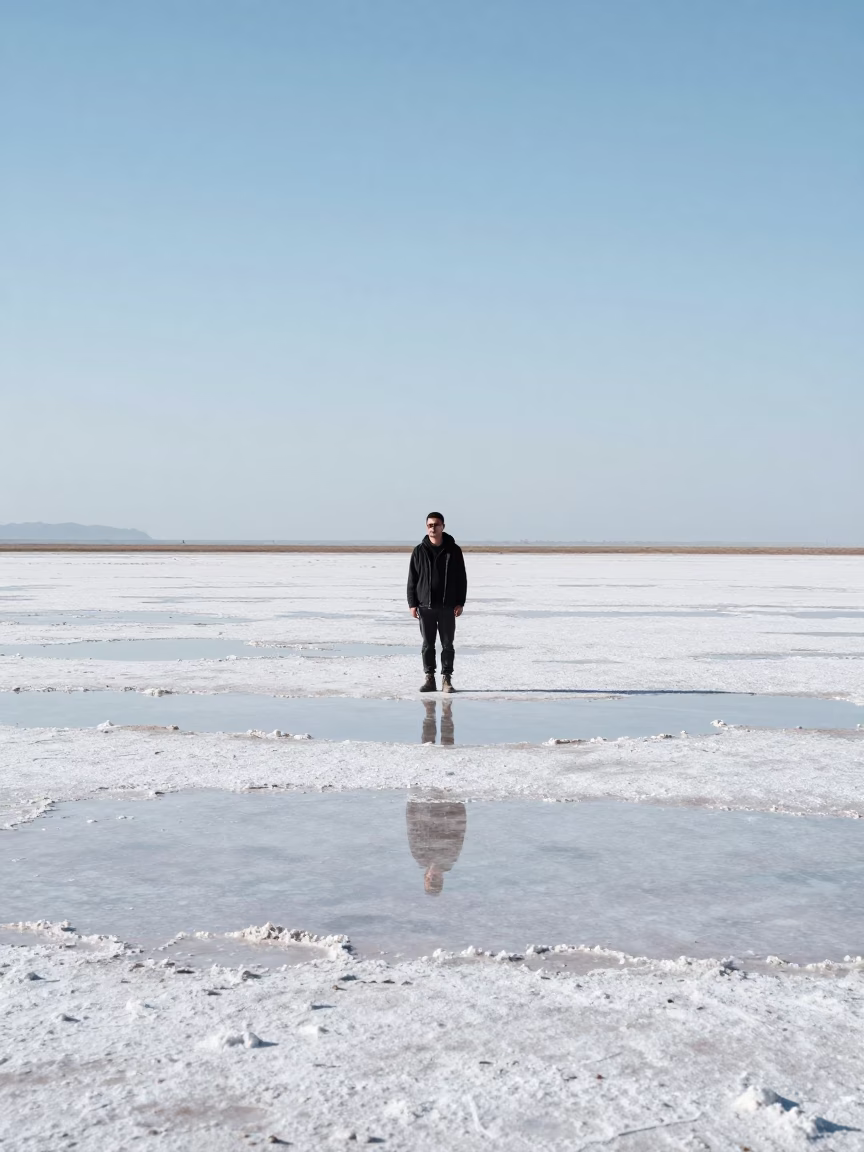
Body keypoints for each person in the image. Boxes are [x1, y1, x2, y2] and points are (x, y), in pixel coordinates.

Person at [406, 512, 467, 693]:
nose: (433, 528)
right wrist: (412, 603)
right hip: (425, 606)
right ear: (427, 527)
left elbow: (461, 578)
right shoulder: (419, 550)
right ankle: (429, 678)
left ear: (443, 527)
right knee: (428, 644)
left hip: (448, 606)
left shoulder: (453, 550)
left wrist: (460, 602)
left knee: (447, 644)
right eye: (430, 525)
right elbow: (412, 579)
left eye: (436, 525)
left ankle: (446, 679)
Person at [406, 792, 467, 895]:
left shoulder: (419, 856)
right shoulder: (450, 857)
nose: (433, 878)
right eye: (437, 882)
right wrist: (459, 804)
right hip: (446, 806)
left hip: (425, 804)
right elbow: (460, 831)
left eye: (430, 881)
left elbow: (412, 828)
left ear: (425, 877)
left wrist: (411, 804)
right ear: (442, 879)